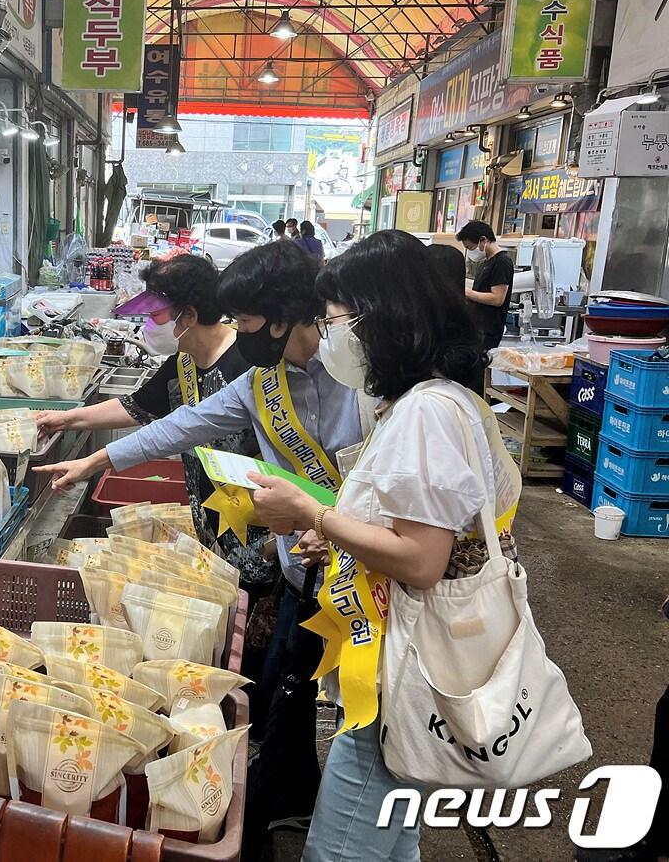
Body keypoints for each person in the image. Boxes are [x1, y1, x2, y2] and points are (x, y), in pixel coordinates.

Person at [36, 240, 364, 835]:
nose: (238, 330)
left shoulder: (359, 378)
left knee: (345, 707)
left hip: (361, 575)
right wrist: (97, 460)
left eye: (245, 318)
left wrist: (335, 524)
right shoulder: (261, 380)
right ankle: (290, 796)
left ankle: (316, 808)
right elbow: (181, 424)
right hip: (302, 571)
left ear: (286, 313)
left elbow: (384, 480)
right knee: (288, 684)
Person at [248, 229, 520, 861]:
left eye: (336, 319)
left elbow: (422, 562)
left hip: (403, 678)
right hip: (403, 670)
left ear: (384, 319)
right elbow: (415, 531)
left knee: (340, 848)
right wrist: (337, 536)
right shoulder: (437, 400)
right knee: (393, 841)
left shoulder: (426, 412)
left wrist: (310, 509)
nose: (329, 334)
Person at [35, 254, 272, 609]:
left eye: (156, 314)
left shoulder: (245, 363)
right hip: (212, 523)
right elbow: (138, 407)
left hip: (261, 529)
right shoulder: (185, 360)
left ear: (189, 316)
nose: (148, 324)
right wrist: (67, 419)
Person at [457, 220, 513, 351]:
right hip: (478, 327)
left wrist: (466, 292)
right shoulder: (485, 263)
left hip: (489, 331)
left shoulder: (502, 262)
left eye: (470, 248)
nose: (471, 252)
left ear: (483, 240)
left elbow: (498, 299)